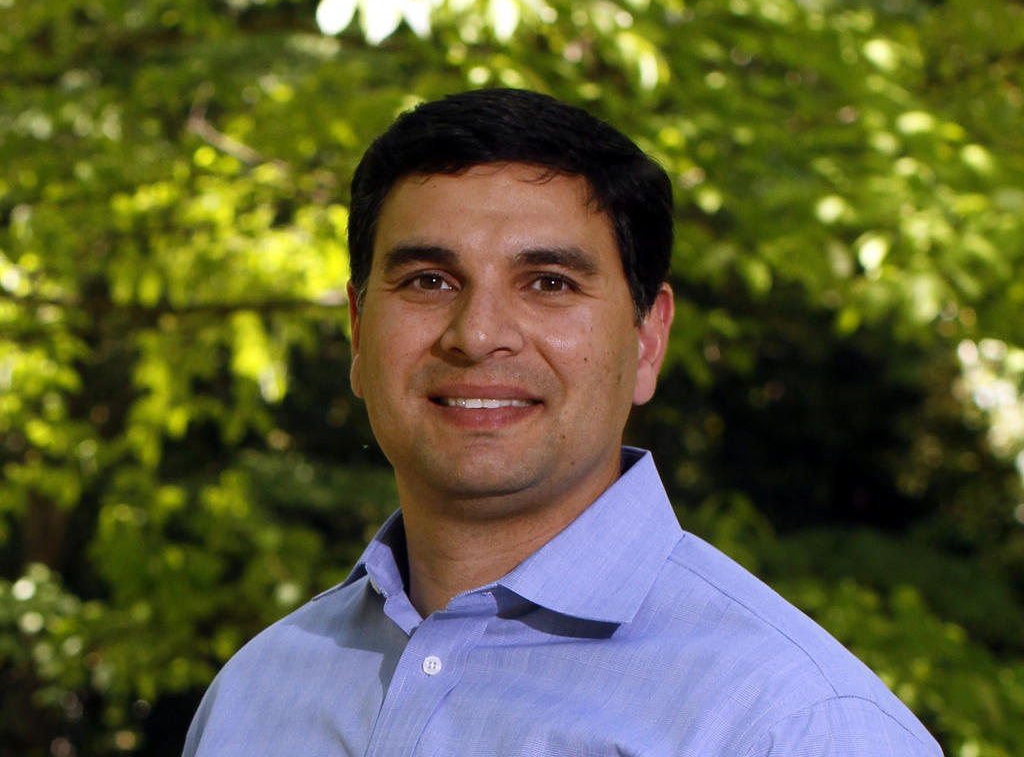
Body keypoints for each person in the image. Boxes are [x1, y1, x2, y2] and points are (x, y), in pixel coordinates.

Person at [183, 88, 942, 756]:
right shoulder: (255, 694)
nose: (477, 334)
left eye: (548, 283)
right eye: (428, 280)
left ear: (648, 340)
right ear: (357, 332)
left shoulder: (794, 726)